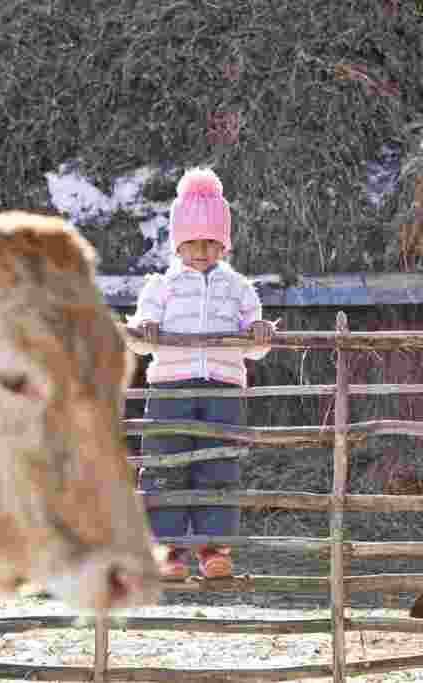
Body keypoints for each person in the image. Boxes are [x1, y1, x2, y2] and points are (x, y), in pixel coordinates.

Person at [127, 167, 276, 580]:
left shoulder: (240, 288)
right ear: (177, 243)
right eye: (191, 242)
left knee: (219, 464)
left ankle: (214, 550)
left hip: (223, 388)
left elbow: (257, 348)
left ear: (223, 244)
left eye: (211, 242)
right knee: (165, 464)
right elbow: (140, 341)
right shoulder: (161, 286)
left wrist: (261, 332)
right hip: (170, 388)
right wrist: (146, 331)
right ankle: (167, 551)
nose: (201, 250)